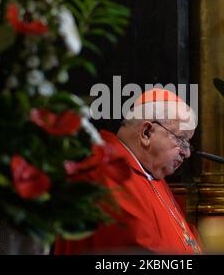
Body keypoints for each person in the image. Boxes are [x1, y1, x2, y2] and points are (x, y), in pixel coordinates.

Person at [54, 88, 202, 254]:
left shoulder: (151, 173)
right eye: (181, 139)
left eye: (188, 143)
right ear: (146, 132)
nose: (187, 152)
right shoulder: (105, 177)